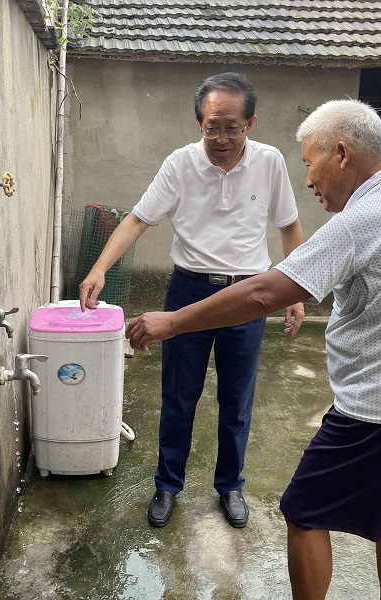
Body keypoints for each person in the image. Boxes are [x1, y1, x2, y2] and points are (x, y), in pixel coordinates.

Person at [125, 99, 381, 600]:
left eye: (310, 162)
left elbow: (264, 293)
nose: (308, 180)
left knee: (305, 513)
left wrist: (173, 322)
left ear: (340, 154)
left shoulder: (364, 219)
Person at [79, 72, 305, 529]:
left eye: (231, 126)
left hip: (249, 295)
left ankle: (230, 486)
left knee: (236, 399)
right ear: (199, 123)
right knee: (179, 396)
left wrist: (295, 290)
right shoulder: (179, 165)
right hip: (189, 290)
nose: (221, 137)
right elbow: (139, 220)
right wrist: (99, 267)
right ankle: (167, 485)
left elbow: (288, 226)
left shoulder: (270, 162)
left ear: (250, 123)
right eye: (211, 127)